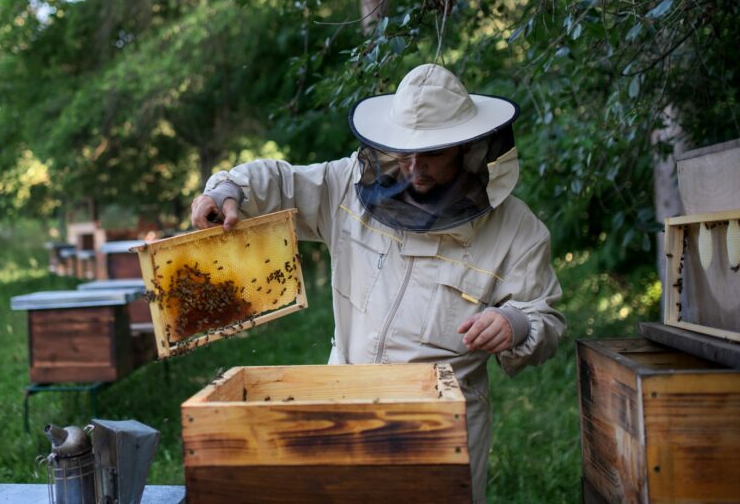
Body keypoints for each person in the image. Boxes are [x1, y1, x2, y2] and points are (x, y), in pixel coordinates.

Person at [191, 63, 565, 503]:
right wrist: (224, 192)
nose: (415, 167)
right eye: (405, 152)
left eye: (433, 154)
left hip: (441, 425)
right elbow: (281, 181)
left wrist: (514, 323)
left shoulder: (517, 230)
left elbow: (546, 317)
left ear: (468, 149)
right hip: (342, 406)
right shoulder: (348, 186)